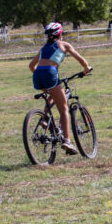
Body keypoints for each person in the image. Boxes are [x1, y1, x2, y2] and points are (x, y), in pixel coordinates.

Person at [29, 22, 92, 154]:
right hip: (50, 73)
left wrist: (41, 74)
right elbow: (81, 60)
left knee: (53, 96)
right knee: (64, 110)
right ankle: (67, 141)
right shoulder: (64, 45)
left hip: (37, 76)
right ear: (60, 34)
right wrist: (86, 69)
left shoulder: (43, 48)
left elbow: (31, 66)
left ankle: (44, 118)